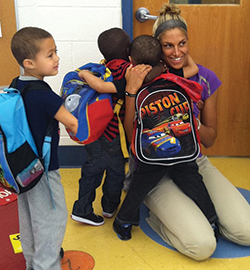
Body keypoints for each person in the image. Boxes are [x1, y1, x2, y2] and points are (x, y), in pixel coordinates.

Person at [142, 3, 250, 261]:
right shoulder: (149, 80)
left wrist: (189, 121)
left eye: (182, 43)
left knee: (246, 232)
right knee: (202, 246)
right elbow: (130, 133)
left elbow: (210, 139)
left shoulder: (204, 78)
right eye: (168, 45)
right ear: (158, 46)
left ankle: (202, 216)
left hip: (194, 162)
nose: (177, 52)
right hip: (155, 169)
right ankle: (159, 215)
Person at [112, 34, 218, 242]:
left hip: (151, 150)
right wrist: (183, 50)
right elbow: (194, 69)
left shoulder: (130, 81)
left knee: (139, 185)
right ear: (161, 57)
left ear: (131, 60)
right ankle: (212, 220)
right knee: (195, 181)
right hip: (182, 146)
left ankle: (123, 222)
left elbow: (130, 125)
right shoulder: (173, 74)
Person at [11, 27, 78, 270]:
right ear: (29, 63)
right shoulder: (44, 95)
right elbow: (74, 123)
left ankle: (32, 264)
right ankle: (46, 266)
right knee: (51, 221)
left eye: (56, 52)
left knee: (29, 221)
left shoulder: (17, 84)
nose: (57, 58)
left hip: (22, 168)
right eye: (50, 55)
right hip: (44, 172)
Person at [71, 28, 132, 226]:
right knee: (115, 171)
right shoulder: (126, 71)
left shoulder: (102, 68)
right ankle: (106, 207)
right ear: (127, 48)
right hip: (112, 133)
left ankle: (85, 207)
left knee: (92, 167)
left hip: (93, 128)